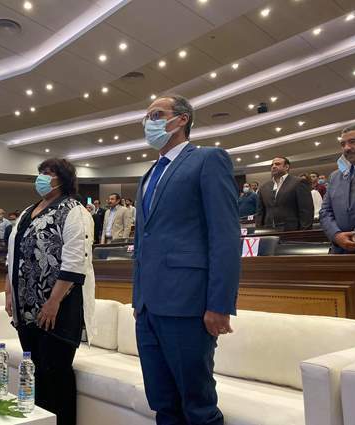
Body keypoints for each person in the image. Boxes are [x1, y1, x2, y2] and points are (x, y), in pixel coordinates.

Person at [134, 95, 240, 425]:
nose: (148, 123)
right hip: (148, 308)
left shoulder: (208, 159)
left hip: (188, 303)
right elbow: (144, 241)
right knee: (163, 404)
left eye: (156, 115)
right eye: (146, 117)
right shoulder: (148, 174)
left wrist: (220, 304)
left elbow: (225, 236)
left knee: (198, 407)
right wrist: (138, 300)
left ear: (181, 119)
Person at [5, 158, 95, 425]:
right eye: (40, 173)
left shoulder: (75, 211)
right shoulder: (27, 211)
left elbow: (75, 261)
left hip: (59, 308)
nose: (41, 178)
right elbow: (12, 255)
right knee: (35, 371)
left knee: (55, 372)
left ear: (63, 178)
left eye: (48, 173)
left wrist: (53, 302)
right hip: (27, 309)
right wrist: (9, 292)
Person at [320, 124, 355, 253]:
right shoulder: (335, 176)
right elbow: (325, 212)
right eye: (343, 144)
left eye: (353, 142)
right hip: (340, 250)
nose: (347, 148)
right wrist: (336, 235)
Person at [256, 157, 314, 231]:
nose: (273, 166)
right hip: (269, 231)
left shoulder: (298, 182)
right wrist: (259, 230)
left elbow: (306, 211)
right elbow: (260, 213)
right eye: (272, 165)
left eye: (277, 164)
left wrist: (304, 232)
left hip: (292, 230)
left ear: (286, 167)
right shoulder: (264, 187)